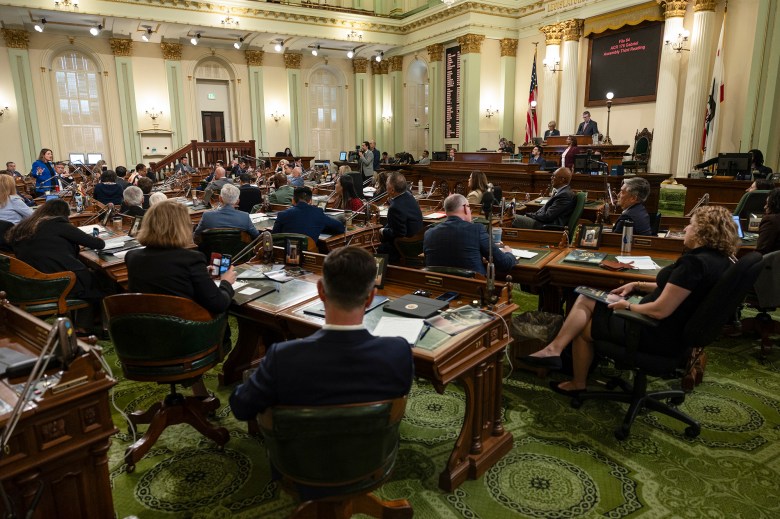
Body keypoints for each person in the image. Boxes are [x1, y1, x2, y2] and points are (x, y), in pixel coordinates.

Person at [522, 206, 739, 395]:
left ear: (703, 231)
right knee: (586, 297)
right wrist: (637, 285)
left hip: (652, 330)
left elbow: (660, 310)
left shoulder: (695, 263)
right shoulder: (720, 260)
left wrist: (627, 305)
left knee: (583, 323)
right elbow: (678, 290)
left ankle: (569, 370)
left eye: (690, 225)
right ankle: (556, 353)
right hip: (672, 331)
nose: (685, 229)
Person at [229, 245, 413, 417]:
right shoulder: (398, 352)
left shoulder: (283, 357)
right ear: (371, 296)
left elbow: (241, 408)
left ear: (321, 290)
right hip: (371, 450)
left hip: (301, 450)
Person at [7, 199, 107, 328]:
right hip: (59, 281)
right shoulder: (58, 224)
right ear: (64, 214)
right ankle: (89, 326)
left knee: (90, 277)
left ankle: (84, 325)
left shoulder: (23, 227)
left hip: (31, 281)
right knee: (101, 278)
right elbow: (98, 244)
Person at [127, 200, 236, 314]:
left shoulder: (132, 257)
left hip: (144, 325)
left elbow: (168, 280)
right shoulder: (191, 259)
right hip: (187, 327)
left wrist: (200, 274)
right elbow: (218, 304)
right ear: (182, 228)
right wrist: (226, 283)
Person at [424, 193, 516, 275]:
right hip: (474, 290)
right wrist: (509, 253)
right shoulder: (476, 229)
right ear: (464, 208)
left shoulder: (429, 233)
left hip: (440, 290)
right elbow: (504, 264)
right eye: (469, 207)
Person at [378, 172, 423, 263]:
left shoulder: (395, 207)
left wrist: (382, 231)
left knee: (377, 249)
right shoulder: (409, 196)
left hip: (405, 244)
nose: (386, 186)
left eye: (387, 184)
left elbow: (399, 233)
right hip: (417, 240)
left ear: (392, 190)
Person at [272, 186, 345, 242]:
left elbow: (274, 237)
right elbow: (340, 228)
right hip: (309, 255)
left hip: (284, 254)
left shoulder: (282, 214)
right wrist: (320, 227)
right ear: (310, 201)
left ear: (293, 200)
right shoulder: (318, 213)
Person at [512, 167, 576, 229]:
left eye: (554, 176)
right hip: (542, 222)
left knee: (512, 219)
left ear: (562, 180)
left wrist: (529, 215)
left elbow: (548, 216)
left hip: (546, 225)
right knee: (511, 217)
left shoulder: (565, 195)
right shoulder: (563, 192)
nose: (551, 178)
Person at [194, 183, 260, 240]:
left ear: (220, 199)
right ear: (237, 201)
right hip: (239, 253)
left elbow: (196, 235)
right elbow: (257, 236)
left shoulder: (207, 216)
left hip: (210, 253)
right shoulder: (245, 217)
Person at [756, 188, 780, 255]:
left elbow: (761, 250)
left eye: (767, 203)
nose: (764, 207)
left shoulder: (771, 220)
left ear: (774, 204)